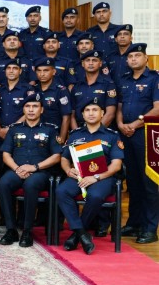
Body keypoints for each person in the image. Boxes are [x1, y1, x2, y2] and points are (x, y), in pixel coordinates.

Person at [56, 97, 124, 255]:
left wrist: (96, 177)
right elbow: (64, 158)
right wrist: (68, 170)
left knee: (95, 195)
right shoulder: (75, 135)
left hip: (103, 177)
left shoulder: (112, 136)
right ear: (82, 115)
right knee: (61, 191)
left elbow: (116, 165)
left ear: (102, 113)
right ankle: (82, 234)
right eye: (87, 110)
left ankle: (76, 235)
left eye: (95, 110)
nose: (91, 113)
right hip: (79, 176)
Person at [0, 94, 62, 247]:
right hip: (16, 170)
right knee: (3, 184)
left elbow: (57, 156)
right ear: (23, 109)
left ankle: (27, 231)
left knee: (30, 185)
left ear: (42, 110)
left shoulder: (50, 129)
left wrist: (35, 167)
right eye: (27, 106)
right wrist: (17, 168)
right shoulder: (14, 129)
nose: (31, 110)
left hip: (40, 172)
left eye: (35, 106)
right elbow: (5, 154)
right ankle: (11, 230)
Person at [116, 42, 159, 244]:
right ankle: (134, 223)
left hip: (146, 135)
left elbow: (157, 109)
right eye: (130, 57)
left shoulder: (154, 78)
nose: (133, 59)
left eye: (137, 56)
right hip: (126, 134)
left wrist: (134, 124)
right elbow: (119, 106)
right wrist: (120, 124)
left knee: (148, 183)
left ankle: (150, 228)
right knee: (132, 182)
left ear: (146, 58)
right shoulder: (124, 80)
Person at [69, 49, 117, 130]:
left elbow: (110, 114)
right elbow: (72, 115)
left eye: (94, 60)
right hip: (79, 130)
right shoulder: (76, 86)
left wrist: (94, 132)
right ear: (83, 64)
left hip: (102, 131)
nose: (91, 63)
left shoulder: (109, 85)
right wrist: (77, 133)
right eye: (87, 60)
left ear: (100, 63)